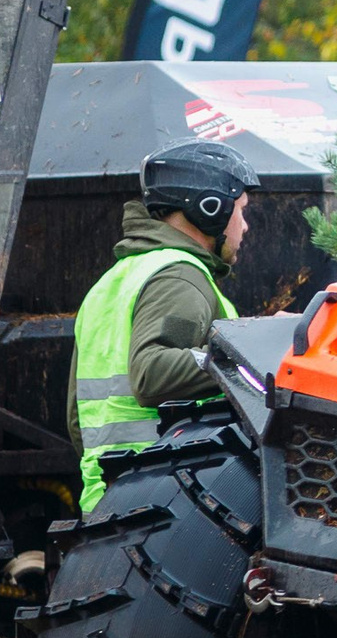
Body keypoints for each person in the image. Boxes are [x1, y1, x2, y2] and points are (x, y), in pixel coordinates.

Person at [70, 138, 256, 513]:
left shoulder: (118, 278)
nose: (245, 226)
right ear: (211, 209)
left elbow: (77, 421)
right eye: (241, 211)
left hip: (109, 498)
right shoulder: (179, 277)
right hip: (171, 494)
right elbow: (152, 374)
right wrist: (251, 352)